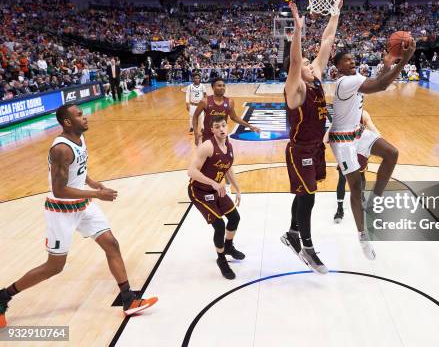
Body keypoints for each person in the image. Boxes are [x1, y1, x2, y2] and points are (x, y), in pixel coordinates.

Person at [0, 104, 157, 329]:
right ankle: (4, 296)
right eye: (80, 115)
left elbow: (80, 166)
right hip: (61, 210)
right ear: (67, 122)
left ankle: (128, 299)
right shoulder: (61, 149)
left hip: (83, 205)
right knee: (54, 266)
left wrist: (92, 182)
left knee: (111, 244)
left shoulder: (79, 138)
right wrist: (97, 193)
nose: (85, 118)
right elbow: (59, 190)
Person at [329, 39, 416, 259]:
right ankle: (362, 236)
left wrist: (388, 64)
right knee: (356, 187)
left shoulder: (355, 78)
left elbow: (378, 79)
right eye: (346, 60)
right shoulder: (344, 82)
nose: (352, 61)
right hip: (343, 140)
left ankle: (375, 199)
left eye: (352, 58)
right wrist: (404, 59)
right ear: (337, 67)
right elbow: (381, 85)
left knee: (392, 153)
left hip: (357, 132)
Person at [280, 0, 342, 274]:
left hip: (316, 148)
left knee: (304, 193)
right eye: (306, 63)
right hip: (299, 150)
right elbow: (295, 59)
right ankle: (306, 247)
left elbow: (327, 41)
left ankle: (292, 232)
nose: (309, 64)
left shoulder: (315, 78)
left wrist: (335, 14)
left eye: (309, 62)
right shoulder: (295, 88)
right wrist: (297, 30)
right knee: (310, 196)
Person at [187, 115, 244, 280]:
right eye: (217, 126)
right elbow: (191, 171)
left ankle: (228, 246)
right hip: (199, 191)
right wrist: (213, 183)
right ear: (212, 130)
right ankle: (221, 259)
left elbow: (228, 168)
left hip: (216, 189)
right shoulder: (207, 147)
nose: (221, 129)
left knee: (234, 217)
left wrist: (237, 189)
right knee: (219, 225)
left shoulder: (229, 145)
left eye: (223, 125)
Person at [192, 77, 261, 193]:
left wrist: (250, 126)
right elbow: (195, 116)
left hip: (222, 138)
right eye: (219, 85)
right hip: (208, 138)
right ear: (213, 87)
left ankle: (228, 188)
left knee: (225, 163)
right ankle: (201, 187)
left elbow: (234, 117)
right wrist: (196, 132)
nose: (222, 87)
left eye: (223, 85)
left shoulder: (229, 102)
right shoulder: (205, 101)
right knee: (205, 164)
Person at [330, 109, 380, 224]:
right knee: (342, 176)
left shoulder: (364, 114)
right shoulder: (343, 112)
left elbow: (373, 129)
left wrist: (380, 141)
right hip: (346, 148)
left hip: (359, 149)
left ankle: (362, 198)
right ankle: (340, 209)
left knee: (361, 173)